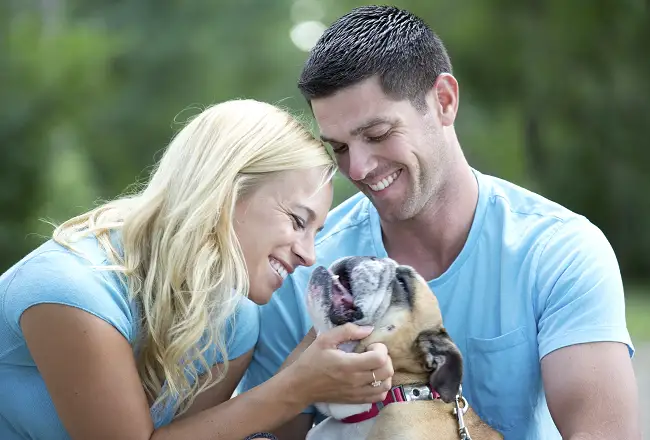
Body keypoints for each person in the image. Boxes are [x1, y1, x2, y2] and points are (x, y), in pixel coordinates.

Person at [238, 6, 642, 440]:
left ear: (444, 101)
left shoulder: (558, 250)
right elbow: (272, 433)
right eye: (338, 147)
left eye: (377, 135)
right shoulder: (309, 269)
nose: (357, 168)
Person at [0, 99, 395, 440]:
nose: (310, 256)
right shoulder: (74, 292)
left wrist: (301, 377)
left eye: (316, 232)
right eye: (296, 220)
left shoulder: (235, 320)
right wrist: (294, 388)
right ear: (225, 193)